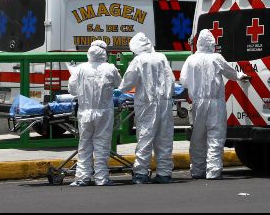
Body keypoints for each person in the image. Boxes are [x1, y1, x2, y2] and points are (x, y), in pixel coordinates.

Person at [180, 29, 249, 180]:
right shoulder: (216, 58)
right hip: (215, 103)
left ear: (198, 43)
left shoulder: (190, 60)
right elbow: (230, 73)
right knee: (215, 137)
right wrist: (241, 76)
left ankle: (197, 171)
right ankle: (213, 172)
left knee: (198, 138)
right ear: (212, 43)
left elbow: (184, 80)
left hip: (197, 103)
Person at [119, 32, 175, 184]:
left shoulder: (139, 60)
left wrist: (119, 90)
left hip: (147, 103)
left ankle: (141, 173)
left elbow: (128, 82)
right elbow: (171, 79)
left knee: (145, 137)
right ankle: (164, 173)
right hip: (165, 102)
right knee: (164, 139)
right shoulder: (162, 57)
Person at [67, 40, 121, 187]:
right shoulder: (110, 68)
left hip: (85, 112)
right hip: (104, 113)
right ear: (105, 53)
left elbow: (71, 90)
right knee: (102, 145)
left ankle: (82, 178)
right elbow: (119, 83)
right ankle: (102, 178)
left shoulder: (80, 69)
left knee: (84, 145)